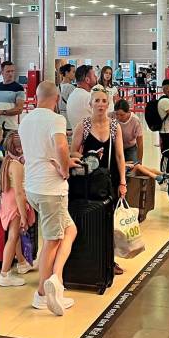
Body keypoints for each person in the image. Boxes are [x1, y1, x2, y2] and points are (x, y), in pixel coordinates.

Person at [19, 81, 80, 316]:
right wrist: (65, 169)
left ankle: (56, 279)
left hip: (33, 186)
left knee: (70, 230)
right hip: (51, 190)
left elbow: (39, 151)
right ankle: (42, 295)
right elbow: (61, 147)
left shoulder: (26, 119)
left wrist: (60, 161)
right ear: (56, 99)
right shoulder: (56, 119)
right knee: (53, 240)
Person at [71, 86, 128, 275]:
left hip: (108, 180)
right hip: (88, 181)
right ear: (90, 104)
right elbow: (73, 151)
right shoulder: (84, 125)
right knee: (90, 218)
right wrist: (89, 156)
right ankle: (91, 257)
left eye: (104, 101)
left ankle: (109, 260)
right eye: (97, 101)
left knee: (109, 220)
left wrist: (122, 182)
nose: (101, 104)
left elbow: (120, 156)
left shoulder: (114, 126)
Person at [0, 132, 37, 287]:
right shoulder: (18, 166)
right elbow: (20, 193)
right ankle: (4, 273)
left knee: (16, 236)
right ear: (20, 148)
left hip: (7, 201)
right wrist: (24, 216)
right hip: (15, 204)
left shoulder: (7, 162)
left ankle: (22, 263)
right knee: (13, 236)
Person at [0, 61, 25, 132]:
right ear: (2, 72)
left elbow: (19, 109)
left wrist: (2, 112)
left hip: (10, 127)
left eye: (12, 71)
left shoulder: (19, 88)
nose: (11, 74)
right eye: (8, 71)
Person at [66, 65, 96, 130]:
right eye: (94, 75)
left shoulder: (73, 94)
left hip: (77, 135)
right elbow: (101, 119)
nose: (96, 77)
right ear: (87, 80)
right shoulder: (87, 97)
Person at [157, 79, 169, 173]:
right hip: (166, 132)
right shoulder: (165, 101)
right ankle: (163, 176)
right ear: (166, 88)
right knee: (167, 155)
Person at [114, 99, 143, 163]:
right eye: (116, 114)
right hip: (115, 147)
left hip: (130, 147)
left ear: (128, 112)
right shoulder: (111, 116)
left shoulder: (135, 120)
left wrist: (140, 161)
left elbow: (140, 143)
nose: (118, 117)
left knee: (133, 167)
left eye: (122, 115)